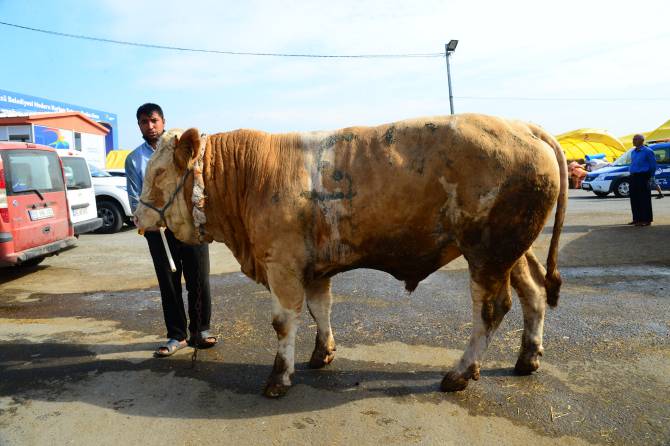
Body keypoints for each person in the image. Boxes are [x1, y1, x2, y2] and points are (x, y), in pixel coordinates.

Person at [125, 103, 217, 357]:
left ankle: (201, 330)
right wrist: (149, 221)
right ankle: (177, 335)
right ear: (139, 126)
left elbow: (198, 181)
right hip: (159, 231)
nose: (150, 126)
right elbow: (136, 198)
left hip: (189, 223)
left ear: (163, 121)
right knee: (169, 282)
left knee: (199, 278)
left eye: (154, 120)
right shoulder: (134, 159)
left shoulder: (182, 149)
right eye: (144, 122)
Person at [627, 134, 657, 226]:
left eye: (635, 139)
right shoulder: (633, 152)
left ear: (641, 141)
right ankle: (636, 218)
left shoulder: (648, 151)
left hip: (643, 176)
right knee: (634, 198)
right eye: (633, 139)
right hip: (633, 177)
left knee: (644, 199)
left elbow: (653, 165)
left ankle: (646, 220)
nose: (633, 141)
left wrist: (651, 177)